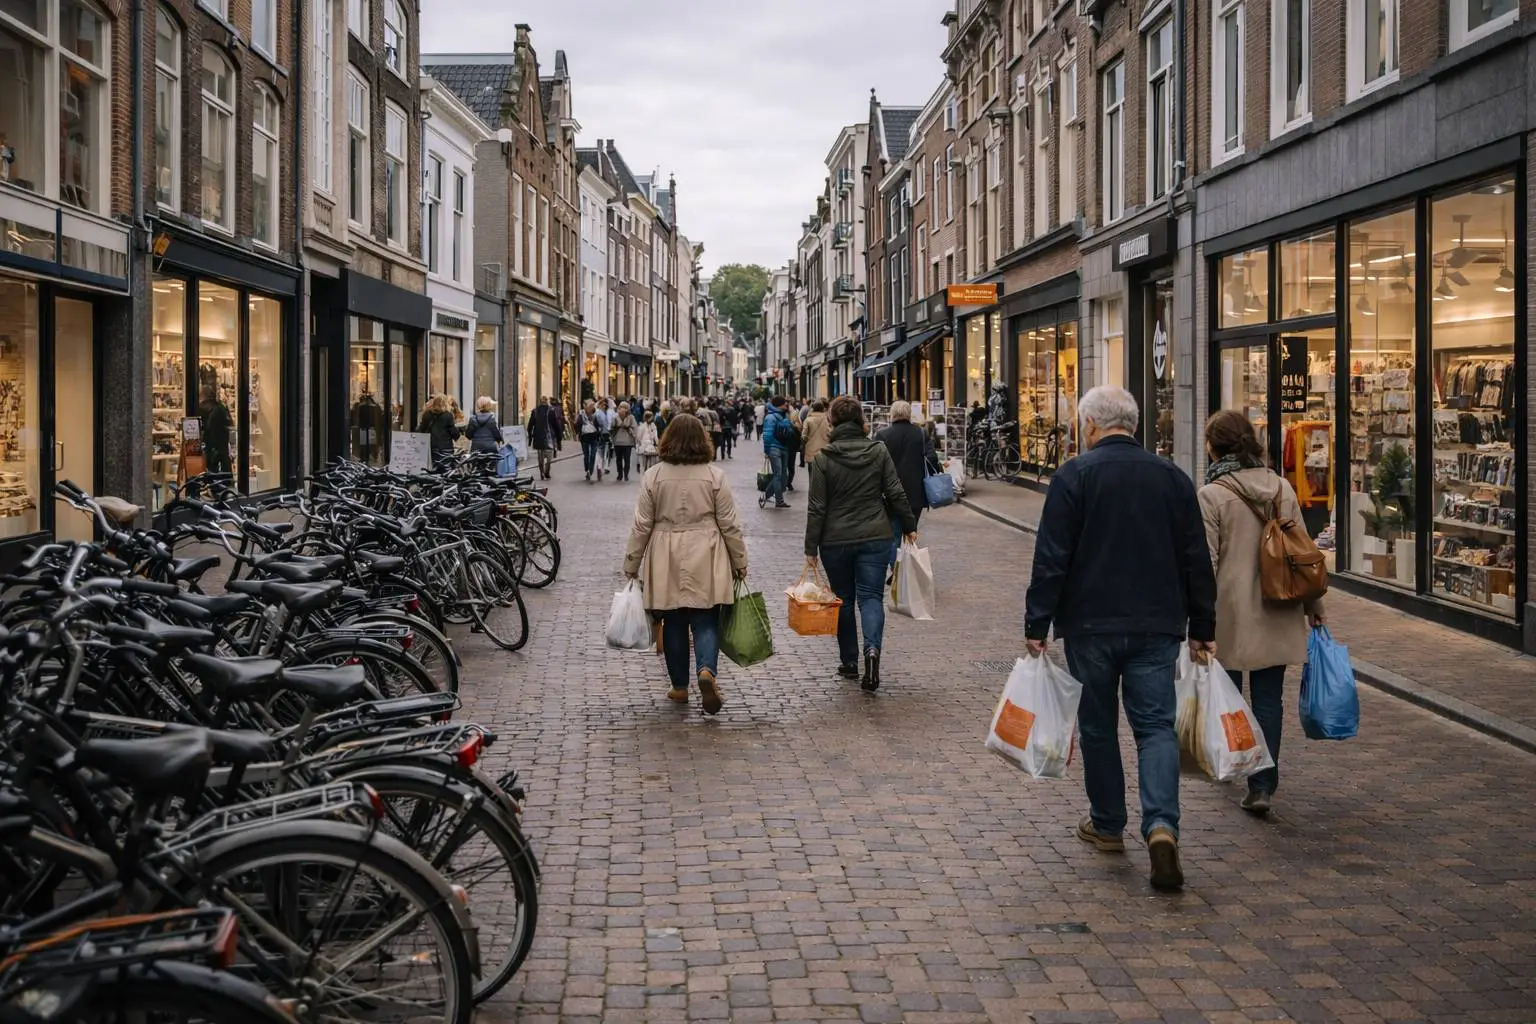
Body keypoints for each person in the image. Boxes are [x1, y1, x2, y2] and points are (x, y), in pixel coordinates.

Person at [1024, 386, 1217, 893]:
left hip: (1090, 626)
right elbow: (1196, 558)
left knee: (1098, 725)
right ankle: (1161, 828)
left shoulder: (1073, 477)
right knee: (1155, 727)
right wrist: (1204, 627)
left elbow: (1052, 558)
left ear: (1089, 425)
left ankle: (1108, 825)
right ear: (1132, 424)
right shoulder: (1173, 478)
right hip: (1157, 624)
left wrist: (1036, 624)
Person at [1198, 410, 1326, 817]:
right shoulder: (1281, 487)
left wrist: (1195, 620)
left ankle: (1235, 762)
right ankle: (1263, 784)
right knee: (1269, 699)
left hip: (1230, 612)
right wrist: (1314, 606)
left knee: (1229, 696)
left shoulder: (1212, 494)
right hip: (1279, 604)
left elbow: (1206, 563)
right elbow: (1304, 552)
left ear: (1214, 447)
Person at [624, 413, 748, 717]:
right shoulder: (714, 476)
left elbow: (642, 525)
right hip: (706, 550)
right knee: (706, 618)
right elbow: (729, 523)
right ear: (701, 440)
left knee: (674, 620)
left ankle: (680, 687)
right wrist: (740, 560)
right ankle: (707, 671)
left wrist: (631, 564)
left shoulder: (653, 476)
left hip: (666, 552)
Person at [805, 396, 916, 691]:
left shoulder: (823, 459)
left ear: (832, 422)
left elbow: (817, 507)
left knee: (843, 599)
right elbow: (895, 491)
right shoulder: (877, 451)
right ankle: (872, 651)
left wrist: (810, 548)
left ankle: (850, 662)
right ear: (861, 422)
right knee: (870, 598)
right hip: (875, 536)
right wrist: (909, 526)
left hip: (835, 540)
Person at [875, 400, 935, 568]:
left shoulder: (882, 435)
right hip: (915, 494)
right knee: (910, 532)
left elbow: (874, 464)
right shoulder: (921, 434)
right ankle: (906, 570)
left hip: (889, 495)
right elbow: (932, 459)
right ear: (909, 415)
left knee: (893, 534)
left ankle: (897, 571)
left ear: (892, 415)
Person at [759, 396, 793, 510]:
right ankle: (779, 500)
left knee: (783, 475)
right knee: (778, 475)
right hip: (775, 448)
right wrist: (767, 451)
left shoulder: (784, 415)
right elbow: (767, 435)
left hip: (784, 447)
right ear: (780, 404)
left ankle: (765, 496)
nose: (786, 405)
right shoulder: (770, 417)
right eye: (785, 403)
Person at [417, 393, 461, 471]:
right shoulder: (448, 415)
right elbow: (454, 432)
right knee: (446, 469)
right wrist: (457, 434)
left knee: (432, 468)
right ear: (445, 403)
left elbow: (421, 430)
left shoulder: (427, 415)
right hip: (445, 447)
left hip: (431, 446)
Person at [200, 384, 233, 478]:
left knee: (211, 466)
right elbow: (230, 422)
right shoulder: (221, 406)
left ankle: (212, 486)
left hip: (210, 442)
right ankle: (227, 483)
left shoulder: (202, 407)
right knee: (224, 462)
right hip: (223, 440)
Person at [464, 396, 503, 471]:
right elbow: (496, 434)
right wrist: (499, 440)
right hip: (490, 447)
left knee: (477, 469)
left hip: (476, 448)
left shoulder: (473, 419)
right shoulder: (492, 418)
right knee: (491, 469)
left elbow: (468, 435)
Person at [528, 397, 558, 480]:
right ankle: (547, 471)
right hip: (548, 436)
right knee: (549, 456)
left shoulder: (535, 411)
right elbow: (555, 424)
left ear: (540, 402)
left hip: (538, 436)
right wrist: (558, 436)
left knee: (540, 456)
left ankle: (541, 471)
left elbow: (530, 425)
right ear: (546, 402)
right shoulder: (551, 411)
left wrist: (530, 436)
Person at [575, 399, 603, 482]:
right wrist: (577, 433)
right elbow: (578, 424)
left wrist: (599, 432)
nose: (590, 408)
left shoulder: (596, 414)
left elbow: (599, 424)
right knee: (586, 455)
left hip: (594, 436)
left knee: (593, 454)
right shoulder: (581, 414)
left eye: (592, 406)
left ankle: (590, 471)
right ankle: (587, 470)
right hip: (584, 436)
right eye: (589, 406)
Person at [611, 401, 639, 482]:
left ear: (627, 409)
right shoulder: (615, 417)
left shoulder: (631, 417)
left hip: (627, 442)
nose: (622, 409)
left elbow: (635, 428)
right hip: (618, 441)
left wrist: (635, 436)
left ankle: (625, 474)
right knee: (619, 459)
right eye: (621, 407)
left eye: (624, 407)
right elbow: (612, 427)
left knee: (626, 459)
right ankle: (620, 474)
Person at [800, 398, 832, 466]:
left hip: (811, 449)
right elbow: (830, 432)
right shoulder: (827, 419)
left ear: (813, 408)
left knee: (811, 470)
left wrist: (807, 440)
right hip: (824, 449)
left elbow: (804, 435)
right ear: (822, 408)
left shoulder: (808, 419)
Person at [594, 398, 617, 478]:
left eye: (605, 405)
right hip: (605, 433)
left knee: (602, 450)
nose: (604, 406)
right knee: (605, 451)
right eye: (603, 405)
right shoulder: (602, 413)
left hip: (603, 433)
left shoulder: (601, 412)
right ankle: (603, 466)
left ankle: (601, 465)